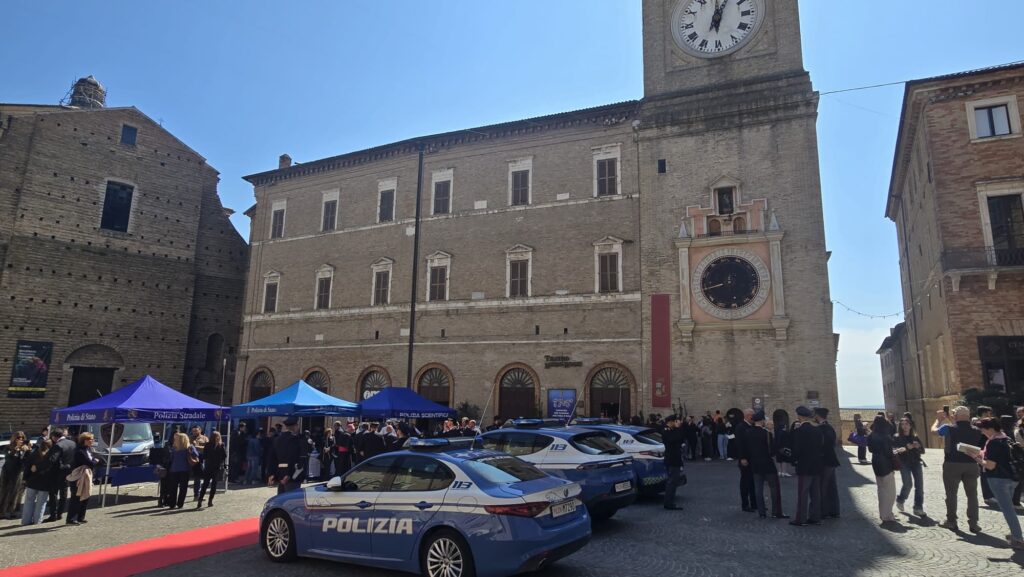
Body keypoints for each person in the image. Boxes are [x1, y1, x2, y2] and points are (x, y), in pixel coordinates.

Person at [932, 406, 984, 533]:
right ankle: (973, 523)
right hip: (971, 464)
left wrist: (938, 421)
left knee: (951, 494)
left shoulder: (948, 428)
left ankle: (951, 521)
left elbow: (934, 432)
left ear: (955, 416)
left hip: (952, 464)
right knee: (972, 495)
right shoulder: (977, 430)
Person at [975, 418, 1024, 549]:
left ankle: (1018, 538)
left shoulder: (993, 443)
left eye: (983, 430)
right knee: (1010, 509)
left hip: (998, 479)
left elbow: (990, 465)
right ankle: (1015, 532)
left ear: (990, 429)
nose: (982, 432)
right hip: (1013, 478)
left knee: (1007, 510)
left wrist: (977, 458)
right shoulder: (1006, 438)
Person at [741, 411, 786, 519]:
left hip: (755, 464)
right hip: (768, 464)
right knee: (774, 488)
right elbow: (772, 451)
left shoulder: (747, 433)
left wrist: (745, 458)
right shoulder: (767, 434)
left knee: (758, 488)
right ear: (761, 421)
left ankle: (761, 512)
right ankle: (776, 512)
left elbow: (745, 448)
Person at [790, 406, 823, 526]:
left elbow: (797, 449)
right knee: (816, 494)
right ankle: (815, 517)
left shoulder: (799, 431)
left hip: (804, 466)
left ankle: (801, 518)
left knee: (803, 493)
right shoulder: (817, 430)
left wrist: (793, 460)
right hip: (816, 465)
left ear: (800, 417)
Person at [867, 415, 898, 525]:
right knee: (890, 492)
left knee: (881, 490)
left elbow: (870, 449)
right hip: (886, 464)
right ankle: (887, 514)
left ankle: (883, 513)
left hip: (876, 462)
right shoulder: (886, 437)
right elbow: (888, 452)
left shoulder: (871, 436)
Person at [894, 416, 926, 517]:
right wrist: (907, 448)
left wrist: (918, 447)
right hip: (904, 463)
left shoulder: (915, 437)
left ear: (910, 426)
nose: (905, 426)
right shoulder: (897, 437)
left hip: (916, 463)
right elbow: (895, 451)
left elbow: (923, 451)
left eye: (907, 424)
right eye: (902, 424)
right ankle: (900, 499)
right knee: (908, 484)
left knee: (919, 486)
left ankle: (918, 507)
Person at [65, 432, 99, 525]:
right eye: (90, 439)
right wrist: (95, 461)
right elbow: (90, 462)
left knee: (85, 496)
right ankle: (71, 519)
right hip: (78, 477)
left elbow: (91, 461)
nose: (92, 441)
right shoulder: (80, 451)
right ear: (85, 440)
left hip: (87, 476)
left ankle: (81, 517)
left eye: (93, 439)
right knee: (76, 497)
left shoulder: (88, 449)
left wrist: (94, 461)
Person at [44, 427, 76, 522]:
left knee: (53, 494)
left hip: (56, 473)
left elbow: (52, 460)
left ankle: (53, 515)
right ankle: (60, 513)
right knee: (64, 493)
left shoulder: (58, 445)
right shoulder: (72, 443)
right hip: (69, 471)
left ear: (54, 437)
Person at [814, 408, 841, 519]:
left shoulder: (820, 429)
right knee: (832, 486)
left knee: (822, 486)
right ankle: (834, 510)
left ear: (818, 416)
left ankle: (823, 511)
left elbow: (819, 446)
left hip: (824, 461)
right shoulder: (830, 428)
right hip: (832, 460)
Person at [269, 416, 307, 494]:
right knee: (290, 501)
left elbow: (272, 458)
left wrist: (271, 474)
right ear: (295, 426)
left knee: (281, 500)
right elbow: (294, 458)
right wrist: (289, 474)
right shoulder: (296, 440)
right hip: (292, 475)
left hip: (280, 474)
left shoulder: (277, 439)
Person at [21, 438, 53, 525]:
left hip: (32, 481)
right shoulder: (51, 455)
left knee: (28, 502)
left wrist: (25, 478)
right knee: (41, 503)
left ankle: (25, 521)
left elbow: (27, 467)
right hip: (44, 482)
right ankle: (37, 521)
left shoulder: (33, 453)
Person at [0, 431, 30, 519]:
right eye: (18, 438)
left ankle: (13, 511)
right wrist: (15, 449)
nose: (20, 440)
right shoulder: (9, 447)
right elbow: (7, 457)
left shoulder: (24, 449)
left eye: (22, 438)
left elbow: (25, 461)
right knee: (4, 491)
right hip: (7, 472)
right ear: (14, 439)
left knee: (17, 492)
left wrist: (27, 451)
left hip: (18, 473)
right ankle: (1, 511)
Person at [168, 432, 198, 509]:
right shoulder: (190, 447)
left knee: (173, 487)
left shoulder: (174, 448)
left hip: (174, 469)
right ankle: (180, 503)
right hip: (185, 469)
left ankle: (172, 504)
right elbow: (196, 455)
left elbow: (171, 459)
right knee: (183, 487)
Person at [661, 414, 685, 510]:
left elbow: (681, 438)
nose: (676, 423)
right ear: (670, 422)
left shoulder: (673, 430)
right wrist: (678, 428)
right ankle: (668, 502)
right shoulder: (666, 431)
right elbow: (673, 439)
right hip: (672, 459)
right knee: (672, 481)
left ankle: (670, 501)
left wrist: (678, 429)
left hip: (675, 458)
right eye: (674, 421)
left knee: (674, 481)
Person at [197, 431, 227, 508]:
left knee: (209, 484)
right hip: (213, 467)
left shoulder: (217, 445)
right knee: (209, 484)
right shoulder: (217, 445)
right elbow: (224, 456)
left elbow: (205, 456)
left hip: (211, 466)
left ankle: (207, 500)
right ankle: (204, 500)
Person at [735, 409, 756, 512]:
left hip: (752, 458)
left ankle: (754, 503)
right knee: (745, 482)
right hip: (745, 458)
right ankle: (745, 504)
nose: (754, 418)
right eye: (753, 416)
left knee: (753, 482)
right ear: (748, 416)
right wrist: (742, 457)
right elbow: (740, 444)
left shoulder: (751, 426)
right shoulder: (740, 427)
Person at [189, 425, 209, 502]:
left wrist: (196, 446)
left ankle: (198, 494)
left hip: (202, 459)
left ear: (200, 430)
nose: (194, 432)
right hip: (192, 460)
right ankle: (196, 495)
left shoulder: (204, 438)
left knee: (200, 477)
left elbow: (207, 448)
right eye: (193, 431)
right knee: (196, 478)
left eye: (196, 431)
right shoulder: (190, 438)